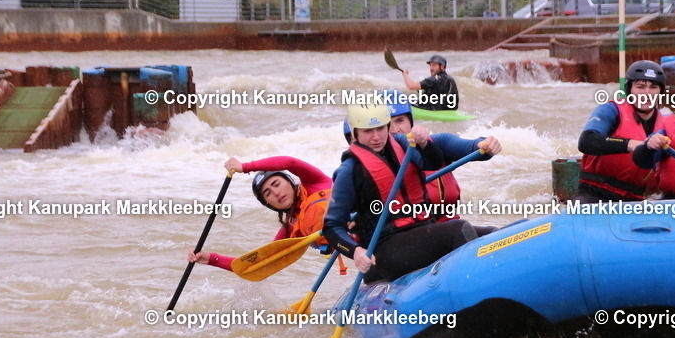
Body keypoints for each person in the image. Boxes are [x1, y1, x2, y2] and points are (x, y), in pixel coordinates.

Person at [324, 103, 477, 284]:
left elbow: (433, 163)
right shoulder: (349, 170)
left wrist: (424, 143)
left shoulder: (403, 144)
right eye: (367, 131)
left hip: (422, 231)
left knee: (490, 233)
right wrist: (355, 251)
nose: (376, 137)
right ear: (355, 133)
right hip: (386, 251)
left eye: (380, 128)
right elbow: (332, 226)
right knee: (458, 230)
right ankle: (473, 293)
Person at [381, 91, 500, 235]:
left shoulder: (438, 143)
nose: (395, 130)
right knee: (459, 230)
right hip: (410, 237)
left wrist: (485, 145)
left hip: (450, 229)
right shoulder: (374, 163)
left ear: (410, 122)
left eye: (400, 121)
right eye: (388, 124)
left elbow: (470, 147)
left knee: (497, 233)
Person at [188, 156, 333, 272]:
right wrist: (211, 259)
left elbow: (290, 162)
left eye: (276, 184)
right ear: (268, 204)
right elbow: (260, 264)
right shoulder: (291, 228)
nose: (276, 193)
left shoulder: (315, 182)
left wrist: (245, 167)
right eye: (267, 193)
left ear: (290, 182)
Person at [576, 60, 665, 202]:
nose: (647, 93)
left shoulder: (667, 123)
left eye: (653, 87)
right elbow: (587, 141)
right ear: (630, 90)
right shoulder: (611, 110)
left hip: (635, 199)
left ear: (660, 91)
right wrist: (632, 144)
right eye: (640, 87)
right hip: (596, 193)